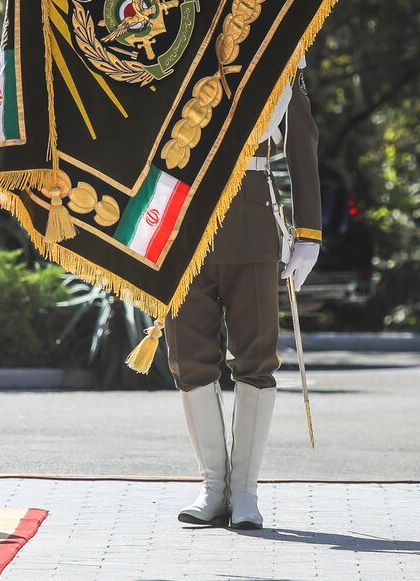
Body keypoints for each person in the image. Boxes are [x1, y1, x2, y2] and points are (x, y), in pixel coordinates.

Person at [166, 56, 321, 530]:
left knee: (255, 358)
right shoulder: (173, 50)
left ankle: (245, 492)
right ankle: (214, 487)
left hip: (251, 218)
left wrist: (308, 233)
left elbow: (301, 144)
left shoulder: (273, 52)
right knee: (188, 358)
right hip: (181, 221)